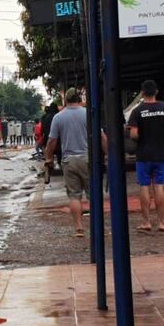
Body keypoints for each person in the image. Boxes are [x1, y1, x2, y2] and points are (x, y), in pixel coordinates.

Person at [127, 80, 164, 233]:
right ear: (157, 91)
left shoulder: (137, 111)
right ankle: (162, 222)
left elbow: (133, 134)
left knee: (144, 187)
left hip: (143, 154)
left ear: (142, 92)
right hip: (161, 153)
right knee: (159, 187)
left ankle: (146, 222)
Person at [46, 88, 90, 237]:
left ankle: (79, 228)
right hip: (87, 159)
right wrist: (109, 154)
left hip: (68, 161)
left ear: (65, 101)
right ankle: (98, 228)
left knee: (74, 196)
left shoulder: (58, 117)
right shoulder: (88, 114)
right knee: (93, 195)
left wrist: (49, 158)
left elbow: (52, 141)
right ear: (78, 99)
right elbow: (101, 136)